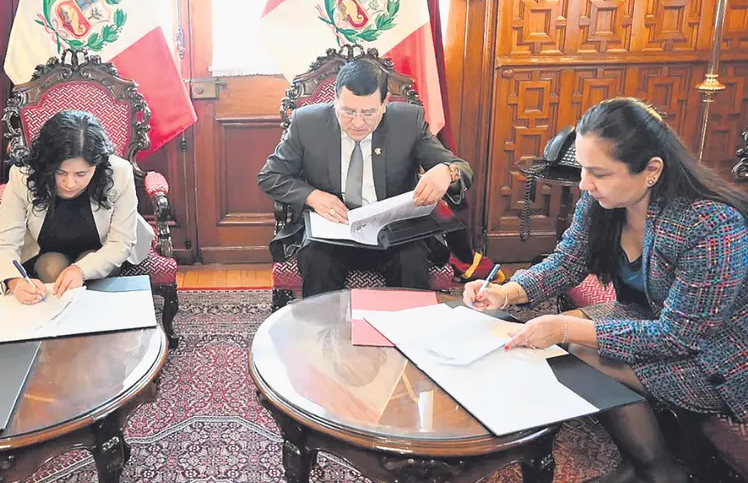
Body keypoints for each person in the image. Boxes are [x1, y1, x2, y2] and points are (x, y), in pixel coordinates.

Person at [463, 97, 748, 483]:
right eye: (582, 168)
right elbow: (567, 263)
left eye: (598, 172)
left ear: (651, 171)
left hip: (717, 359)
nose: (584, 183)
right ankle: (645, 464)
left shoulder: (709, 225)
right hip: (653, 321)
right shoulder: (601, 203)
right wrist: (507, 292)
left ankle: (655, 471)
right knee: (570, 345)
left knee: (574, 343)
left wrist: (565, 327)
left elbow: (681, 335)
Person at [258, 59, 472, 297]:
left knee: (410, 261)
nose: (358, 122)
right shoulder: (307, 124)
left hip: (394, 232)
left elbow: (459, 167)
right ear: (335, 100)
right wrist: (312, 196)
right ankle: (321, 332)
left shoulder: (408, 122)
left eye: (368, 112)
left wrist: (447, 172)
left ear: (384, 103)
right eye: (348, 111)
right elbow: (271, 176)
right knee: (319, 262)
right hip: (333, 231)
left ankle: (404, 331)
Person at [0, 111, 153, 304]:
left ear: (97, 166)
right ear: (47, 165)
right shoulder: (23, 174)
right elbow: (5, 242)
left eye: (81, 174)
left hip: (103, 248)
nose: (69, 183)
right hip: (44, 250)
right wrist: (14, 280)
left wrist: (80, 270)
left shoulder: (119, 172)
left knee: (88, 264)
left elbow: (121, 242)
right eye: (60, 172)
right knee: (52, 267)